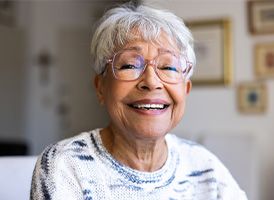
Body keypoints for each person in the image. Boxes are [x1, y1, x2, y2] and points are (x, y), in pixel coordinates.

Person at [30, 3, 248, 200]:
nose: (151, 82)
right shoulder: (65, 165)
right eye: (130, 65)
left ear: (186, 90)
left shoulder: (205, 166)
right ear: (101, 88)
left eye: (168, 67)